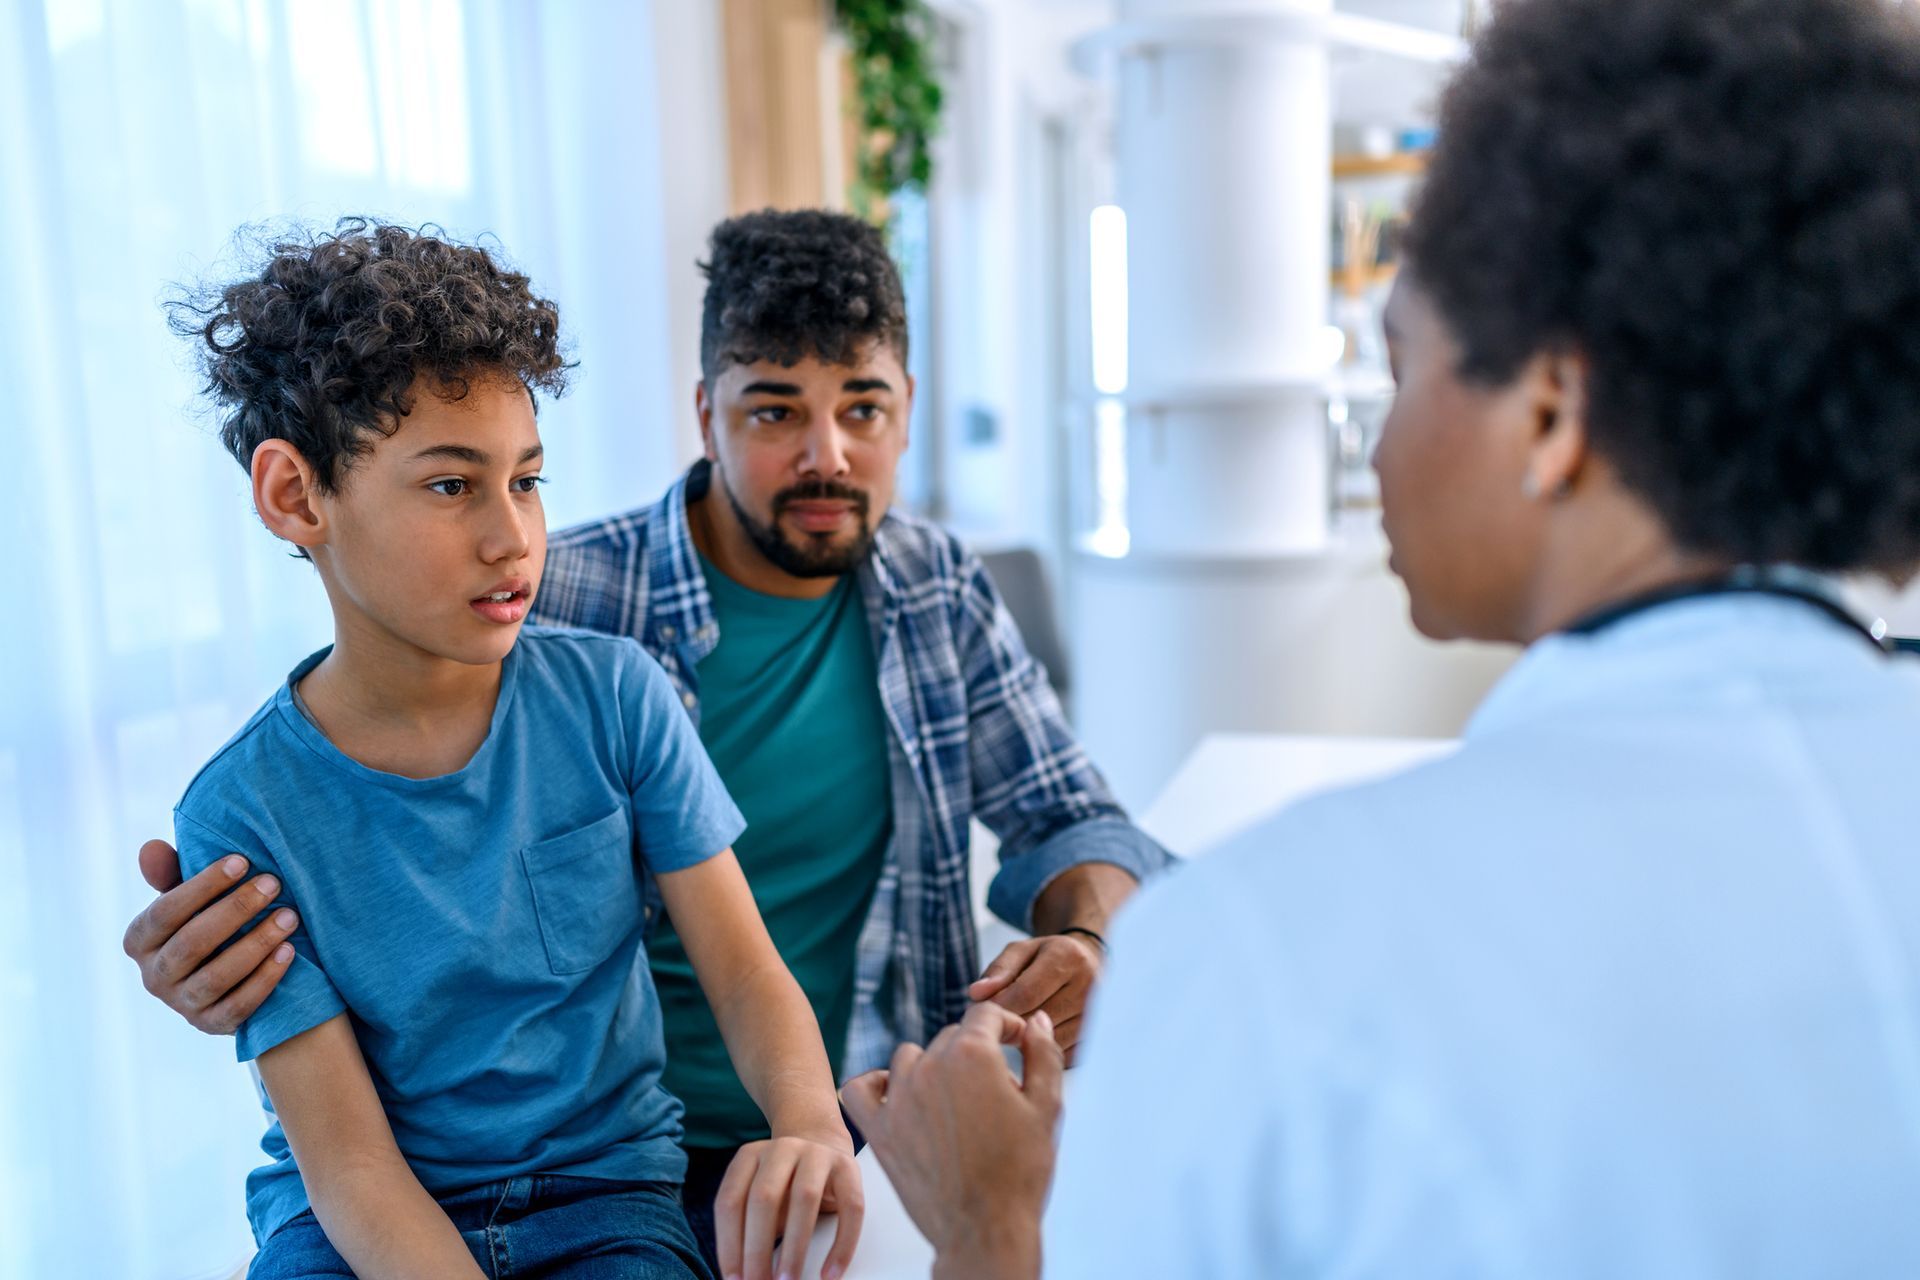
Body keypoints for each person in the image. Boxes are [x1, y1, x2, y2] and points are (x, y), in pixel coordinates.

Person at [844, 0, 1920, 1274]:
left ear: (1552, 408)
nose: (1383, 441)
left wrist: (986, 1226)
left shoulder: (1277, 957)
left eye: (1402, 365)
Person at [124, 209, 1172, 1264]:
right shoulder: (545, 595)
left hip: (755, 1134)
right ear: (705, 416)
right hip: (514, 1175)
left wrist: (1087, 941)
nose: (827, 454)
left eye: (865, 407)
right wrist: (216, 967)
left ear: (907, 415)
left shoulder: (925, 593)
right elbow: (346, 1151)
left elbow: (1075, 817)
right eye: (774, 411)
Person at [163, 222, 860, 1280]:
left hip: (606, 1199)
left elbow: (748, 972)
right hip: (353, 1224)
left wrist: (808, 1118)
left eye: (525, 481)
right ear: (298, 496)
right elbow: (350, 1165)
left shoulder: (616, 697)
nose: (512, 537)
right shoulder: (241, 809)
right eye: (452, 486)